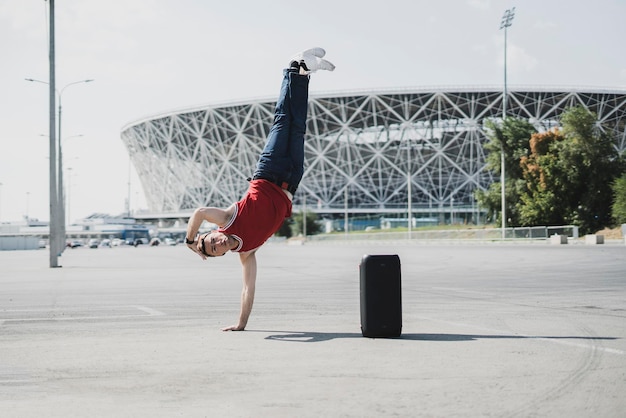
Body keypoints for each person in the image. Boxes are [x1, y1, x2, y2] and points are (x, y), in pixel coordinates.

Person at [185, 48, 335, 331]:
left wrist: (190, 241)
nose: (218, 244)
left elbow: (199, 212)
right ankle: (303, 72)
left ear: (214, 233)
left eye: (212, 241)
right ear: (220, 256)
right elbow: (248, 290)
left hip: (268, 171)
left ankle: (292, 69)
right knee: (299, 127)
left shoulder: (227, 220)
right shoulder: (247, 252)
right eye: (215, 250)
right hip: (291, 180)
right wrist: (241, 324)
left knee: (282, 120)